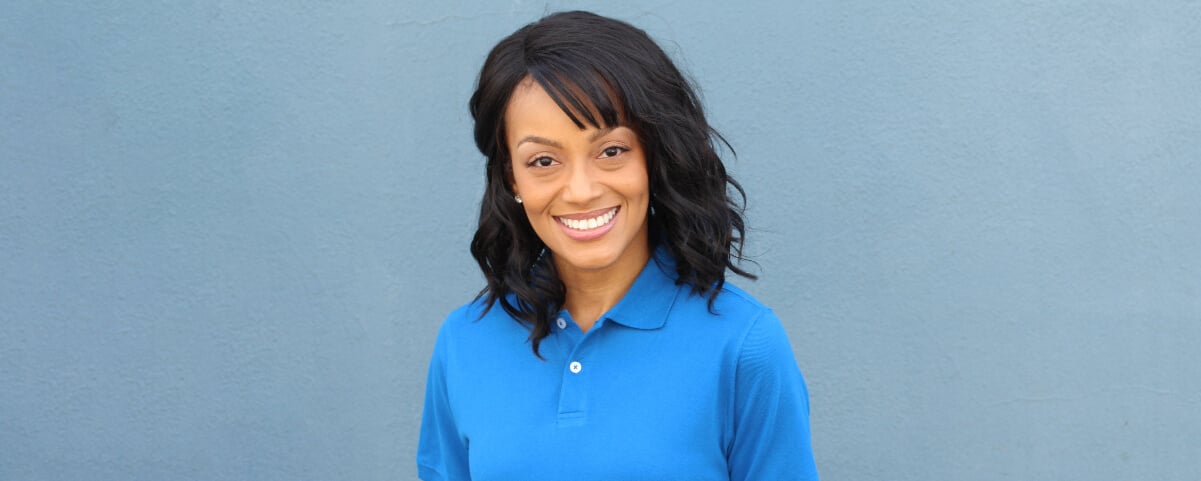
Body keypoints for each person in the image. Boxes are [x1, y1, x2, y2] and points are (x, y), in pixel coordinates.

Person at [418, 10, 819, 481]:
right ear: (512, 178)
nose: (581, 190)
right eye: (543, 160)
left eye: (611, 151)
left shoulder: (743, 344)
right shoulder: (464, 342)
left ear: (655, 156)